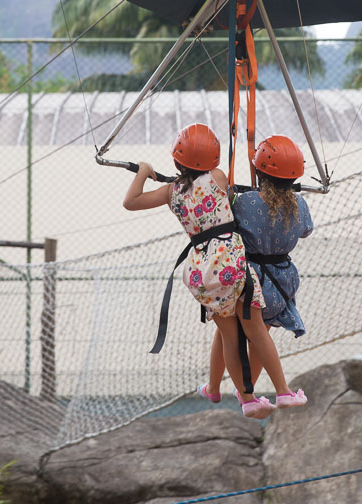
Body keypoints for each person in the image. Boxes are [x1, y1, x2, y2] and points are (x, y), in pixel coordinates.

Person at [123, 123, 307, 419]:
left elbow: (130, 202)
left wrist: (144, 171)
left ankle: (245, 399)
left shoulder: (171, 191)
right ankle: (283, 391)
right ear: (214, 161)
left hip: (200, 271)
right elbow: (234, 193)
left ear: (176, 161)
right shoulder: (219, 178)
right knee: (256, 330)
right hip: (230, 262)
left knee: (229, 336)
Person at [197, 135, 313, 403]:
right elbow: (306, 230)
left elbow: (227, 220)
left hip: (246, 280)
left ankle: (214, 386)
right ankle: (243, 387)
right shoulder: (301, 207)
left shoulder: (245, 202)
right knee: (263, 335)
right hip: (282, 278)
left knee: (226, 332)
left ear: (259, 171)